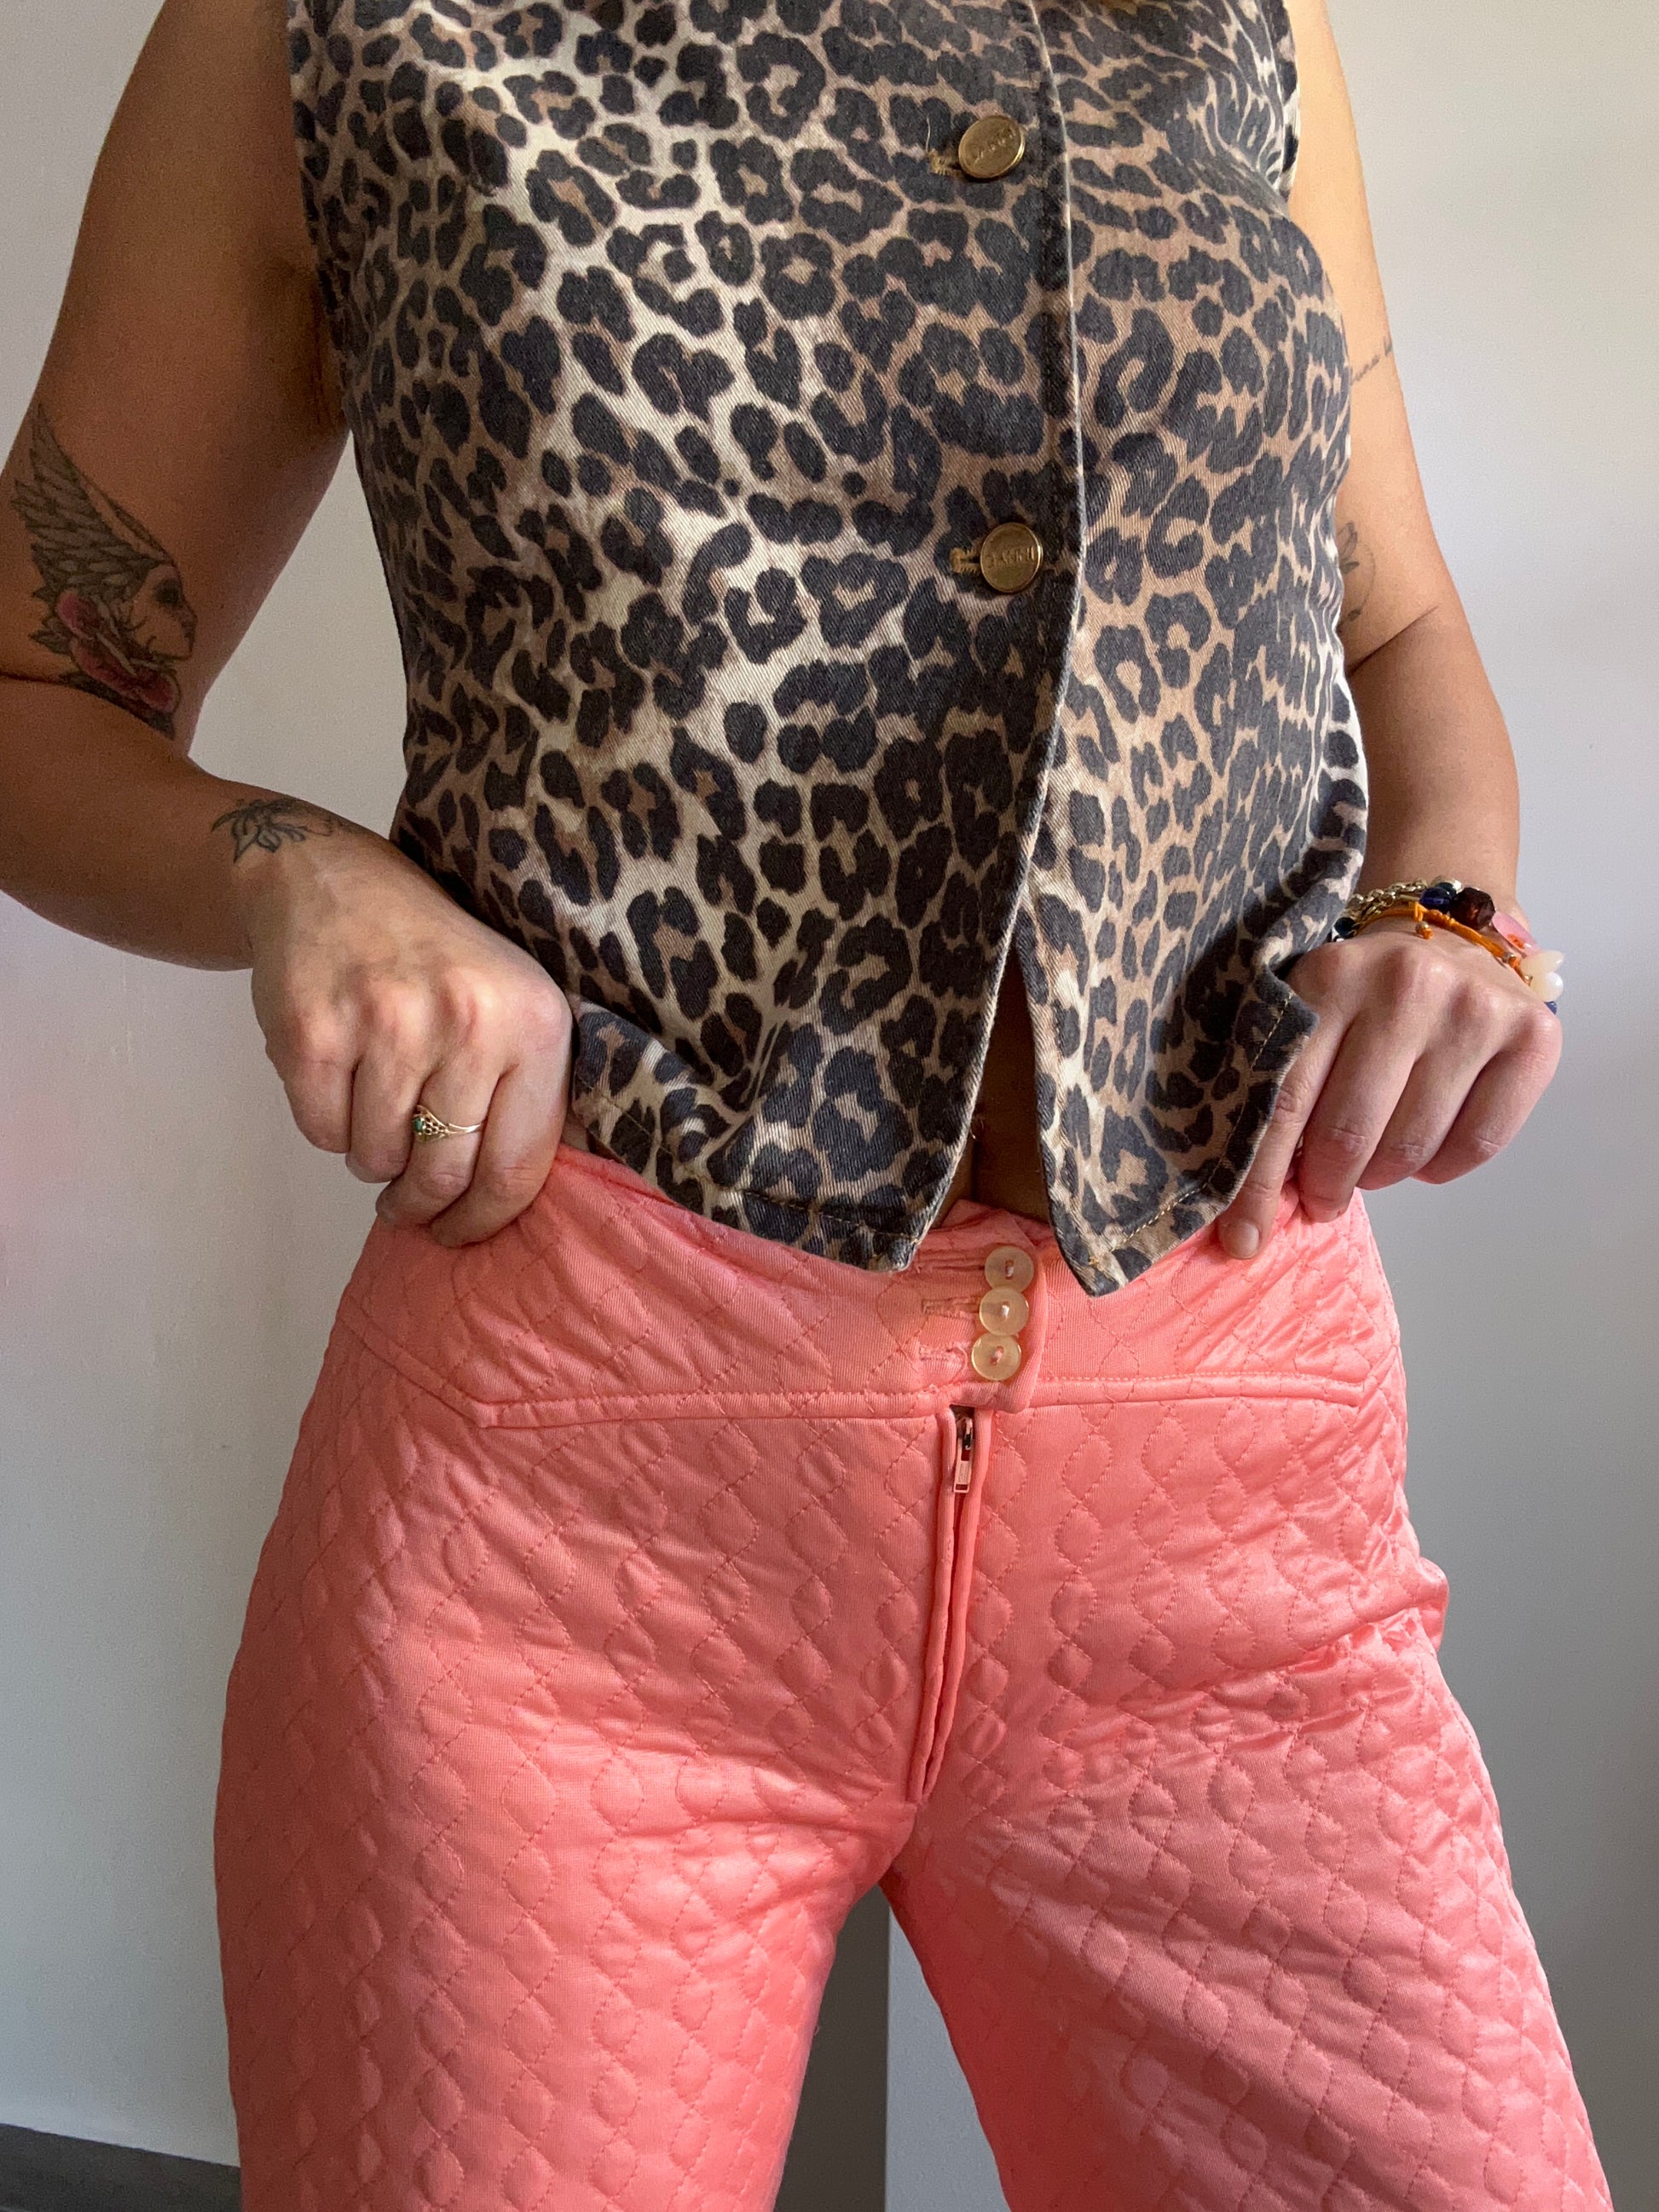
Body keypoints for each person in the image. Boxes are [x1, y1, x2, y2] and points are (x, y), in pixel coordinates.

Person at [0, 0, 1609, 2202]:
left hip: (1234, 1501)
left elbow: (1397, 620)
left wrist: (1450, 911)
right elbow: (37, 688)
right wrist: (303, 873)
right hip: (574, 1538)